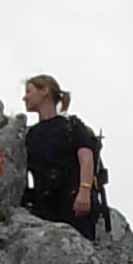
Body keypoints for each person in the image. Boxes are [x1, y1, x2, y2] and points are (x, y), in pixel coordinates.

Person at [17, 74, 99, 236]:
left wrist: (84, 192)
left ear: (45, 91)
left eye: (29, 91)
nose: (24, 98)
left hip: (73, 203)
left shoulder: (71, 125)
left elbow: (86, 157)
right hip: (44, 205)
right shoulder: (31, 134)